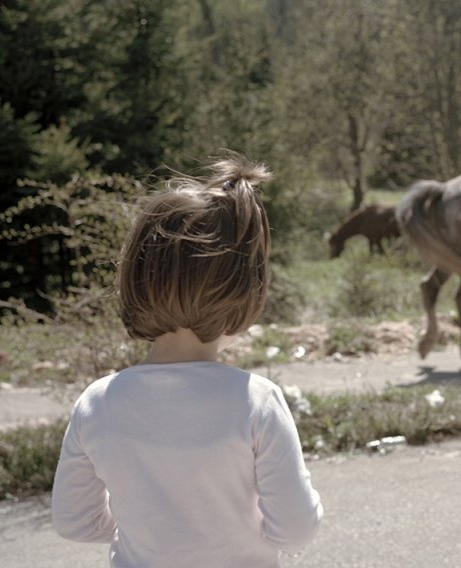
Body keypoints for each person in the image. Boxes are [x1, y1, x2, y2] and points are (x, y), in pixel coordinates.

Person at [51, 155, 323, 567]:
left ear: (135, 280)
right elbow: (295, 528)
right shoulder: (256, 402)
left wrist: (147, 527)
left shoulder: (97, 402)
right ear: (243, 292)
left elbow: (73, 521)